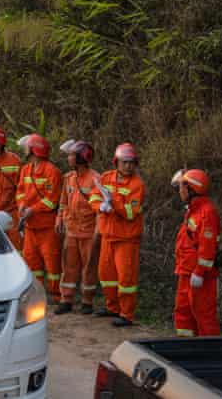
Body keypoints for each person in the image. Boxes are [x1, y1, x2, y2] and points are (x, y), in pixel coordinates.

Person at [89, 142, 145, 327]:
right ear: (117, 162)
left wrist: (114, 203)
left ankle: (126, 314)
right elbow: (94, 197)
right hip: (108, 235)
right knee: (106, 276)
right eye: (125, 162)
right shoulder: (105, 177)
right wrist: (101, 206)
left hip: (126, 239)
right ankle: (112, 307)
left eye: (131, 162)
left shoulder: (137, 184)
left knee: (125, 279)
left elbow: (131, 213)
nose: (128, 166)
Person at [171, 169, 221, 337]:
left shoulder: (206, 212)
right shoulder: (193, 209)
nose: (180, 191)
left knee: (204, 315)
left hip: (200, 276)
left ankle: (212, 354)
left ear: (191, 189)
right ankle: (186, 348)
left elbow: (207, 247)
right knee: (183, 312)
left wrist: (199, 272)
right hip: (186, 272)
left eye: (182, 187)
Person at [55, 140, 100, 315]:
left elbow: (100, 206)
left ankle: (87, 301)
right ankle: (66, 299)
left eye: (72, 155)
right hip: (71, 230)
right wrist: (59, 219)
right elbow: (63, 202)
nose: (69, 158)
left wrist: (98, 230)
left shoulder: (95, 179)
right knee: (68, 266)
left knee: (89, 267)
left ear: (81, 157)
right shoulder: (69, 178)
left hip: (89, 231)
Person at [16, 134, 63, 301]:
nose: (25, 151)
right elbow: (20, 191)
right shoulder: (26, 169)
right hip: (30, 226)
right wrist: (21, 204)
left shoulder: (52, 172)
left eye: (27, 148)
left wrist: (33, 210)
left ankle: (55, 295)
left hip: (47, 227)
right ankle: (37, 293)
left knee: (52, 262)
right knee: (31, 261)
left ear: (34, 150)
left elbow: (52, 201)